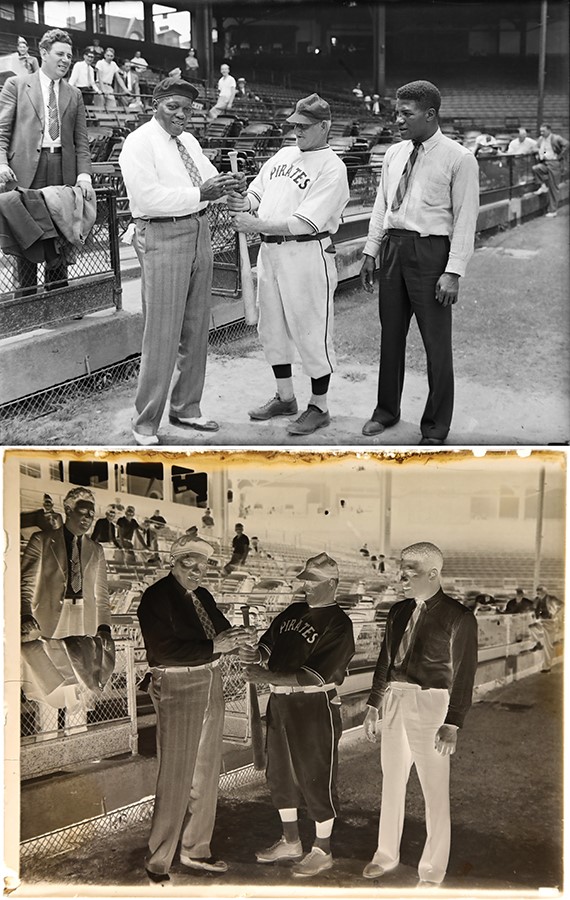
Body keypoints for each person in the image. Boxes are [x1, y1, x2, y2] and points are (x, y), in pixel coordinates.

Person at [118, 76, 245, 445]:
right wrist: (201, 193)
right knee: (162, 331)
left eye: (187, 109)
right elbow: (148, 198)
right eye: (173, 106)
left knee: (195, 326)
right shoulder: (138, 142)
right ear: (154, 105)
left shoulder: (188, 141)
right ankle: (145, 421)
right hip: (161, 232)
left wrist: (226, 184)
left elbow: (207, 183)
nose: (181, 115)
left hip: (198, 230)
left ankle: (186, 407)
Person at [360, 80, 479, 445]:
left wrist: (453, 271)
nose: (398, 120)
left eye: (405, 114)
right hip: (394, 250)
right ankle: (386, 410)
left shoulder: (459, 157)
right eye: (397, 112)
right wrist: (370, 249)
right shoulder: (395, 154)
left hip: (432, 255)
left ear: (430, 114)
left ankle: (435, 425)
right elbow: (382, 204)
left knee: (436, 345)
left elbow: (465, 218)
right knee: (391, 337)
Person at [228, 93, 350, 436]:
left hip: (307, 253)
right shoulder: (283, 154)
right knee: (273, 329)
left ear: (324, 127)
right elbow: (257, 193)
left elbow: (304, 223)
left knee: (311, 330)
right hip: (271, 254)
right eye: (293, 124)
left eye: (304, 126)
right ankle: (285, 397)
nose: (296, 130)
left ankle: (319, 406)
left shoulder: (332, 167)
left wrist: (253, 225)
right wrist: (244, 201)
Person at [137, 534, 254, 882]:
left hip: (210, 680)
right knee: (176, 776)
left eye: (203, 566)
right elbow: (163, 650)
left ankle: (196, 849)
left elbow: (220, 634)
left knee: (205, 772)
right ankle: (158, 861)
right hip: (177, 682)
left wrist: (239, 639)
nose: (197, 571)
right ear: (174, 562)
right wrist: (215, 645)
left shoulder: (202, 595)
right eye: (190, 564)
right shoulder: (156, 597)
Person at [363, 542, 477, 887]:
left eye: (409, 572)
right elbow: (385, 660)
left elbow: (464, 674)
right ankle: (385, 854)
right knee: (392, 782)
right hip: (396, 701)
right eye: (400, 571)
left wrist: (452, 722)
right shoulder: (398, 611)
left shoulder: (458, 616)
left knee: (434, 790)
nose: (401, 578)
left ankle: (431, 869)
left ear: (433, 574)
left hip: (432, 705)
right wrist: (373, 705)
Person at [242, 552, 355, 877]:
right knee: (280, 775)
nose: (305, 587)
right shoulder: (292, 611)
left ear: (332, 584)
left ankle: (323, 849)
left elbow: (314, 676)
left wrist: (263, 677)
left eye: (313, 582)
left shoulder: (339, 623)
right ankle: (291, 840)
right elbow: (267, 647)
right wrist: (252, 651)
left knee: (315, 777)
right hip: (280, 704)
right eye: (304, 581)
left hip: (314, 704)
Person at [0, 28, 93, 294]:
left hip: (62, 170)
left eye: (69, 56)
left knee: (59, 234)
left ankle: (58, 296)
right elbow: (2, 131)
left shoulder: (74, 94)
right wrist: (1, 163)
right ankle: (26, 298)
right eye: (60, 54)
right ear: (43, 53)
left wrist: (83, 175)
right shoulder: (16, 85)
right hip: (26, 171)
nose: (65, 60)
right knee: (26, 237)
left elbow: (81, 141)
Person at [20, 487, 112, 641]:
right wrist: (25, 615)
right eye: (82, 511)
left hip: (85, 620)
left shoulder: (97, 550)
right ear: (68, 510)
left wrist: (104, 627)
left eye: (91, 514)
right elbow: (26, 585)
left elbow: (102, 595)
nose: (87, 518)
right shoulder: (40, 540)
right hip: (49, 620)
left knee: (80, 665)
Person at [532, 122, 569, 218]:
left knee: (553, 188)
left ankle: (553, 210)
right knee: (536, 169)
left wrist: (560, 156)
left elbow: (567, 144)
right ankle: (543, 185)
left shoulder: (556, 138)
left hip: (554, 163)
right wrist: (538, 152)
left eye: (543, 131)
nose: (541, 133)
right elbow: (535, 147)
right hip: (545, 162)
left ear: (549, 130)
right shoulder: (541, 139)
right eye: (540, 131)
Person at [530, 584, 562, 672]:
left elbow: (562, 605)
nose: (538, 592)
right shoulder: (537, 600)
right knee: (532, 628)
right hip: (541, 621)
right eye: (537, 591)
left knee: (548, 646)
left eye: (539, 590)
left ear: (544, 591)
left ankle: (547, 667)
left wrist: (555, 613)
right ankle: (538, 643)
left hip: (550, 622)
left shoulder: (551, 598)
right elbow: (532, 608)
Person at [95, 46, 129, 111]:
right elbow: (100, 77)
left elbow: (118, 78)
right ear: (104, 55)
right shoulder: (100, 63)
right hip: (99, 85)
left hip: (109, 87)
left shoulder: (113, 64)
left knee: (113, 107)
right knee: (99, 108)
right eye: (108, 55)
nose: (109, 57)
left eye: (111, 56)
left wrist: (125, 89)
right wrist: (103, 89)